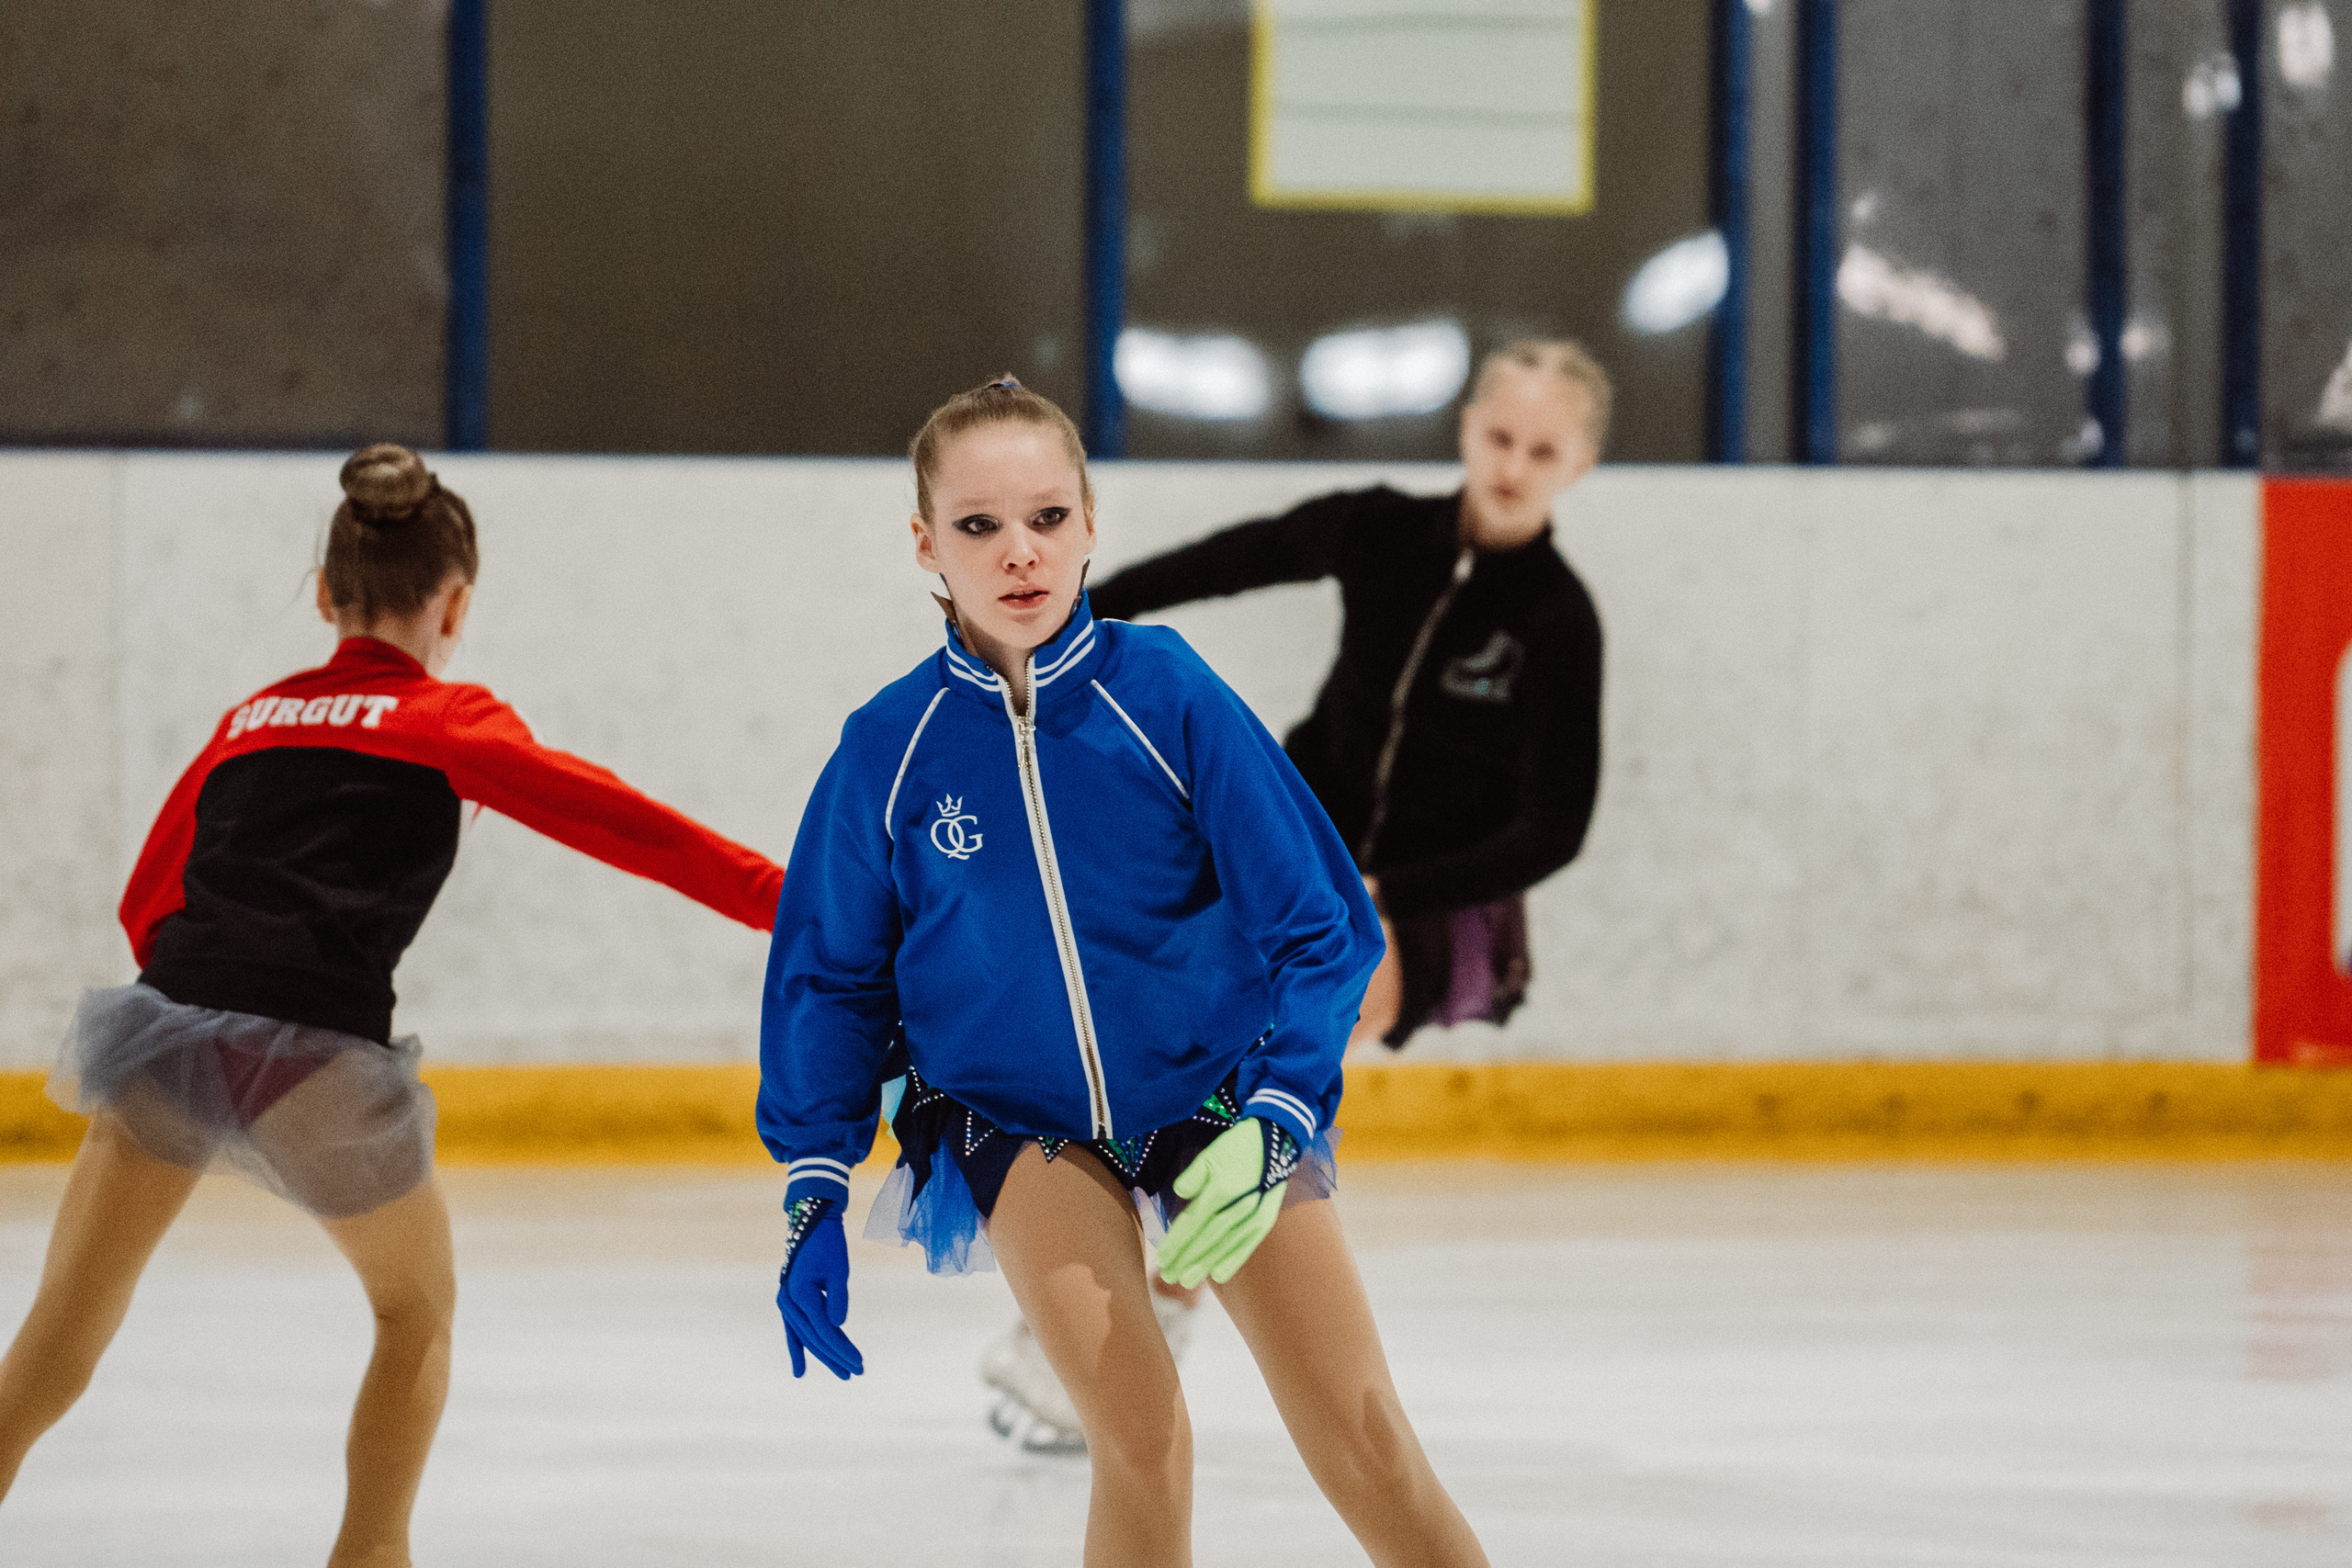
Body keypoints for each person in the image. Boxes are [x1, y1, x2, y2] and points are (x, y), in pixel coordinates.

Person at [0, 446, 786, 1568]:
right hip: (321, 1054)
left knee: (57, 1337)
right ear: (455, 605)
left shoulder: (248, 720)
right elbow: (628, 827)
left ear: (325, 596)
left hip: (166, 1027)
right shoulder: (448, 721)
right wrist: (790, 904)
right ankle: (370, 1556)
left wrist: (204, 1026)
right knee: (412, 1315)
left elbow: (150, 895)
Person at [758, 378, 1489, 1568]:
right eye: (980, 525)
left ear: (1092, 521)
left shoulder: (1169, 692)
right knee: (1141, 1438)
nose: (1019, 552)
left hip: (1217, 1094)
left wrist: (1279, 1109)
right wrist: (813, 1177)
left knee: (1365, 1434)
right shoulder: (889, 749)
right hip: (1018, 1119)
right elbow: (832, 978)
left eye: (1047, 516)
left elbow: (1324, 926)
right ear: (925, 543)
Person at [987, 339, 1613, 1446]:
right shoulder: (1383, 529)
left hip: (1430, 901)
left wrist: (1386, 889)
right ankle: (1106, 1300)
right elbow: (1240, 555)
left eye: (1544, 449)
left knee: (1276, 1058)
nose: (1514, 465)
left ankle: (1147, 1324)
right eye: (1499, 436)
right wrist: (1079, 618)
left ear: (1582, 462)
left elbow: (1551, 828)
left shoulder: (1558, 621)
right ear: (1467, 427)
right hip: (1285, 844)